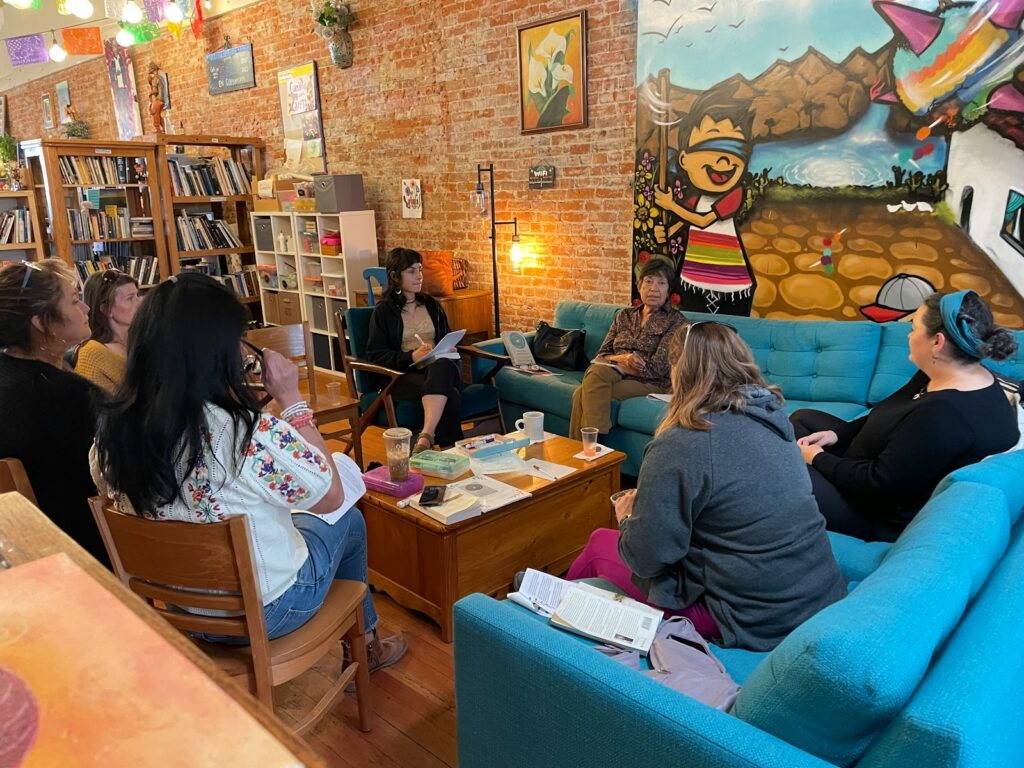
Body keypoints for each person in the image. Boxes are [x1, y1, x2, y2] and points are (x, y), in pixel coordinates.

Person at [91, 273, 406, 668]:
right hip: (265, 610)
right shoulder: (244, 433)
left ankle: (367, 641)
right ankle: (368, 647)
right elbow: (331, 496)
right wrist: (291, 398)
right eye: (238, 339)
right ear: (216, 351)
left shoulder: (110, 433)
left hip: (177, 607)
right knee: (349, 520)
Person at [567, 321, 846, 651]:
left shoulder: (682, 442)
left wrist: (628, 517)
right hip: (819, 593)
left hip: (753, 616)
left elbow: (646, 560)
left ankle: (539, 622)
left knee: (601, 543)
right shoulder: (774, 418)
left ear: (677, 370)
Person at [793, 290, 1019, 542]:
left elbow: (878, 485)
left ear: (937, 342)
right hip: (871, 459)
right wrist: (838, 434)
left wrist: (818, 458)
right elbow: (885, 412)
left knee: (782, 466)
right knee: (802, 419)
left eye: (913, 328)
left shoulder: (944, 415)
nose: (909, 336)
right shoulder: (944, 374)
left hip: (875, 512)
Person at [0, 260, 108, 565]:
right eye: (75, 300)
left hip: (16, 546)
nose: (86, 308)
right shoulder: (71, 396)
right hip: (83, 549)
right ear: (40, 322)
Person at [569, 260, 686, 438]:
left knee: (582, 393)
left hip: (652, 383)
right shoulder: (624, 315)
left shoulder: (676, 321)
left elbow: (657, 369)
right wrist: (623, 359)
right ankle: (591, 452)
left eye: (661, 283)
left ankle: (588, 450)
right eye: (648, 281)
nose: (654, 288)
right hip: (614, 372)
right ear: (639, 285)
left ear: (668, 290)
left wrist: (618, 362)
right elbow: (601, 355)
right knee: (596, 373)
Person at [366, 247, 463, 452]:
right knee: (451, 394)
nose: (419, 276)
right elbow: (376, 354)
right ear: (394, 276)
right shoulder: (384, 311)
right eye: (411, 271)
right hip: (403, 375)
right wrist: (411, 356)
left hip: (440, 369)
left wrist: (449, 346)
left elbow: (447, 335)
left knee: (442, 364)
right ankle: (449, 452)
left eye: (420, 269)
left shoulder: (431, 304)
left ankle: (425, 437)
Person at [75, 269, 141, 393]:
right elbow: (98, 407)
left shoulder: (142, 341)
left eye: (137, 295)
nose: (139, 303)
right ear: (106, 309)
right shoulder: (92, 353)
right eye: (130, 298)